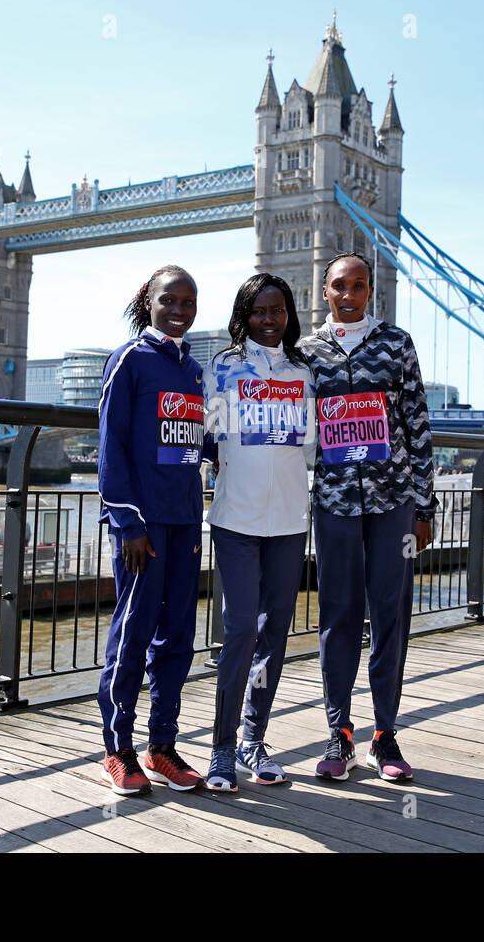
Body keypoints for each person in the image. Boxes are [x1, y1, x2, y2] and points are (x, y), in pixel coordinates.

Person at [298, 252, 436, 783]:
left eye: (359, 285)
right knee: (336, 618)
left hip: (393, 503)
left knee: (390, 618)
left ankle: (385, 734)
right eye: (339, 286)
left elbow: (417, 425)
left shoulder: (396, 344)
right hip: (333, 501)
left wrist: (425, 505)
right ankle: (338, 732)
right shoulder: (307, 352)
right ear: (325, 291)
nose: (349, 294)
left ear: (370, 291)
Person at [96, 264, 208, 796]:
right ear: (148, 302)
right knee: (133, 634)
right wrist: (125, 521)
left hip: (186, 520)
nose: (180, 310)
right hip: (141, 526)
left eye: (188, 301)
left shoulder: (194, 370)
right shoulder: (129, 361)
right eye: (170, 300)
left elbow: (199, 440)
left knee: (179, 637)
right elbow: (110, 446)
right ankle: (116, 749)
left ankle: (161, 745)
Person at [201, 273, 315, 792]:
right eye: (258, 312)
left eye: (278, 311)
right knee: (241, 629)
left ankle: (254, 738)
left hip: (291, 521)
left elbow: (315, 446)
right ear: (243, 316)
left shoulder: (304, 373)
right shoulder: (222, 368)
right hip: (236, 521)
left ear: (289, 315)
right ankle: (222, 749)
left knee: (274, 635)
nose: (269, 321)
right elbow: (205, 439)